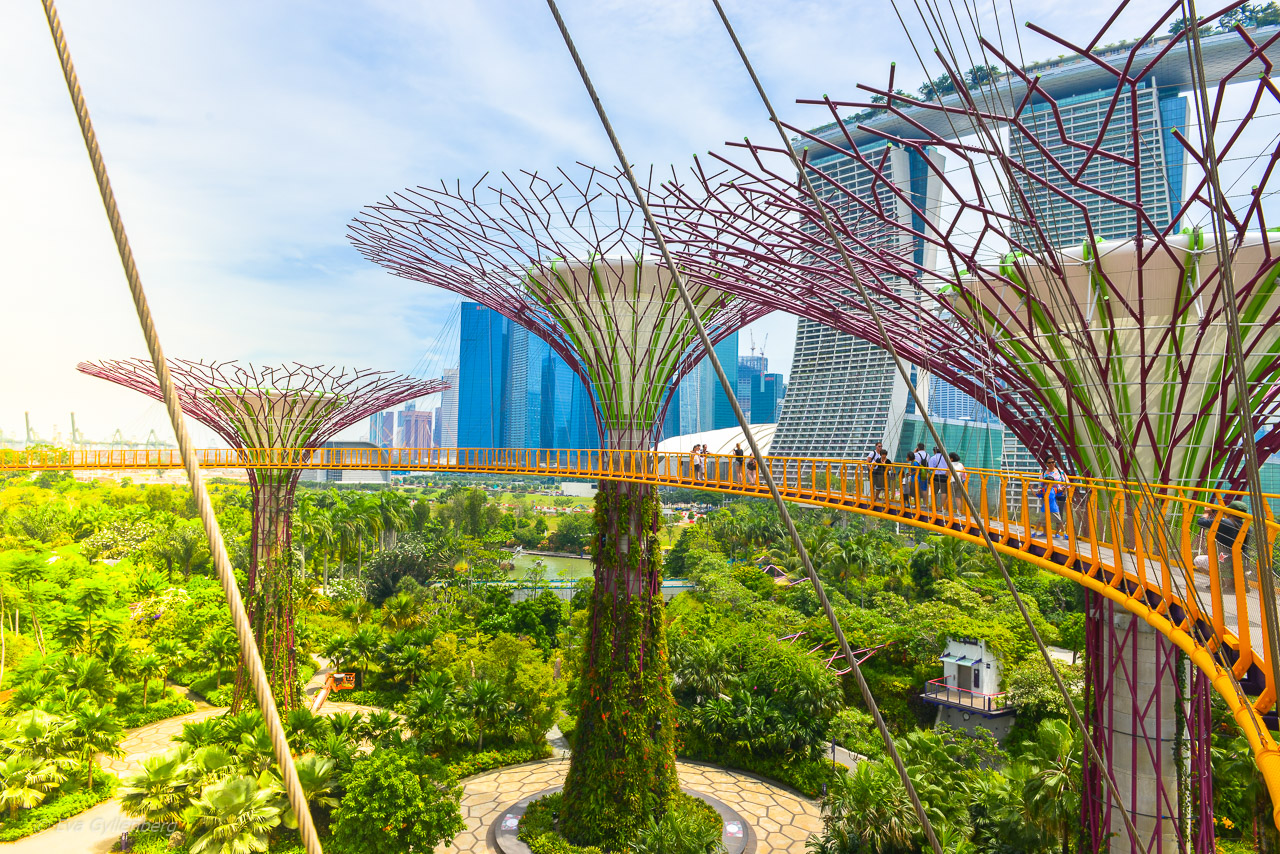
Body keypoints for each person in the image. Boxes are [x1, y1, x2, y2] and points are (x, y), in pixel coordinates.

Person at [1196, 497, 1251, 590]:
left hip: (1223, 561)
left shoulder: (1224, 522)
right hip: (1242, 563)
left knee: (1198, 560)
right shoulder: (1248, 527)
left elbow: (1201, 522)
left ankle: (1219, 581)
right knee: (1228, 559)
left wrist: (1207, 512)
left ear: (1231, 511)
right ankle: (1235, 582)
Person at [1031, 459, 1069, 539]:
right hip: (1046, 507)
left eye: (1053, 462)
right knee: (1041, 520)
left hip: (1053, 507)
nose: (1051, 464)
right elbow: (1038, 492)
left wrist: (1064, 490)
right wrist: (1032, 489)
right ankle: (1039, 532)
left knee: (1059, 519)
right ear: (1046, 464)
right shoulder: (1044, 478)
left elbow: (1066, 485)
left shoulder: (1060, 472)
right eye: (1049, 462)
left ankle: (1061, 533)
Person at [927, 446, 948, 510]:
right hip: (944, 476)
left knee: (934, 492)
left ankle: (935, 507)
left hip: (935, 476)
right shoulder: (946, 458)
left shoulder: (933, 458)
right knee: (943, 492)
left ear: (934, 451)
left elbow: (930, 468)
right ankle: (941, 507)